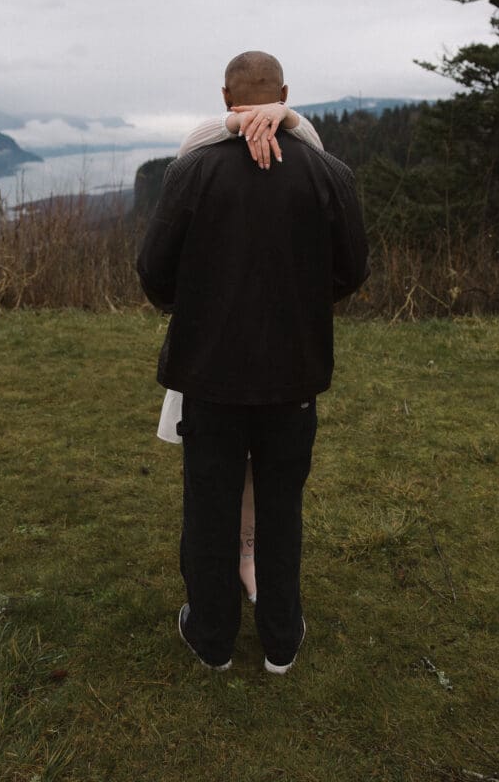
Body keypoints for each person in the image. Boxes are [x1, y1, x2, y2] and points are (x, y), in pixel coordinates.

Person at [137, 51, 369, 673]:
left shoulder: (192, 172)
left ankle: (212, 640)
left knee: (209, 507)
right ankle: (281, 640)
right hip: (294, 375)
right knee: (281, 506)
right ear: (286, 95)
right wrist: (301, 304)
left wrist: (196, 308)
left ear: (224, 99)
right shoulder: (328, 173)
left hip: (208, 377)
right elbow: (352, 270)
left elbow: (153, 272)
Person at [155, 98, 324, 605]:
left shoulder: (297, 149)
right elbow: (189, 147)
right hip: (235, 347)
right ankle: (220, 566)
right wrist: (239, 124)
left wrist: (286, 119)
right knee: (220, 472)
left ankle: (244, 558)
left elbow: (317, 147)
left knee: (239, 469)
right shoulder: (208, 150)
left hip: (239, 349)